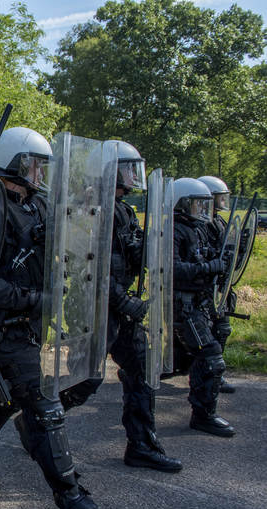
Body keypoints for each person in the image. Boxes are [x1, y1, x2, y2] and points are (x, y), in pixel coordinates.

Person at [0, 127, 119, 509]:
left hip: (32, 327)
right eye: (34, 165)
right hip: (2, 328)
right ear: (13, 163)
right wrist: (35, 299)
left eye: (44, 166)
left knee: (0, 400)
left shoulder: (39, 205)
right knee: (43, 410)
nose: (40, 173)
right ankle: (74, 502)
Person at [40, 141, 182, 472]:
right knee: (84, 380)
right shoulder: (87, 209)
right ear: (110, 173)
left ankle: (142, 446)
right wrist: (124, 301)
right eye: (128, 169)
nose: (134, 176)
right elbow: (88, 268)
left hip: (120, 309)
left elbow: (129, 257)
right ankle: (39, 424)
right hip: (91, 307)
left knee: (142, 370)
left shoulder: (125, 211)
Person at [170, 177, 235, 437]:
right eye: (197, 205)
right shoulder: (174, 229)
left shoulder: (197, 228)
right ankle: (203, 415)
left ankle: (203, 410)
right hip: (184, 305)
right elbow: (174, 268)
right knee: (210, 355)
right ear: (183, 205)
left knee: (204, 355)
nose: (202, 210)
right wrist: (208, 268)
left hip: (199, 302)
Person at [198, 175, 236, 393]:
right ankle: (211, 373)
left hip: (220, 286)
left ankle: (214, 374)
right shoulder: (199, 224)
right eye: (218, 198)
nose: (222, 202)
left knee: (222, 329)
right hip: (205, 287)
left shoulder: (219, 221)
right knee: (209, 334)